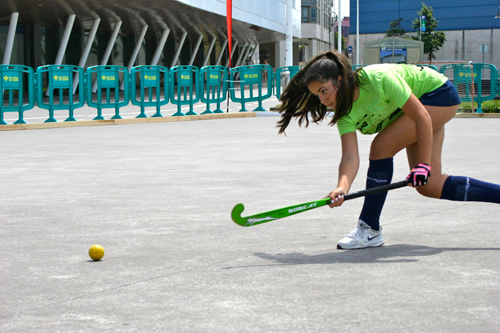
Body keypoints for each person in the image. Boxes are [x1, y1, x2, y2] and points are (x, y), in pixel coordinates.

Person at [277, 51, 500, 250]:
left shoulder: (377, 79)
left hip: (437, 94)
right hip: (420, 111)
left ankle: (370, 228)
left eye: (324, 90)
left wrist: (423, 165)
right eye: (318, 95)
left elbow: (421, 117)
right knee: (429, 185)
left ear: (340, 80)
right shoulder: (344, 113)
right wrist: (341, 187)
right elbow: (350, 157)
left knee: (381, 147)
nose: (323, 100)